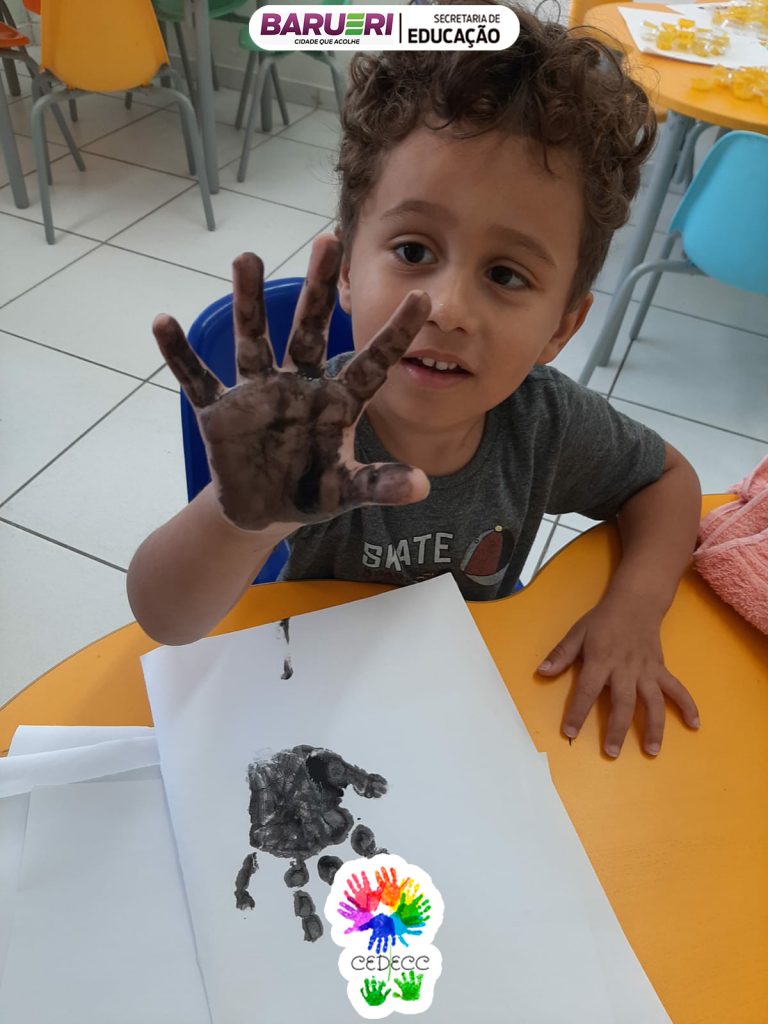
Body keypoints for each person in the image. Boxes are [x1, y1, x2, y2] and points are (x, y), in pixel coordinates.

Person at [128, 1, 702, 759]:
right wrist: (244, 520)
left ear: (561, 328)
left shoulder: (545, 425)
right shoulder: (311, 434)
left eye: (506, 274)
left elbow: (669, 481)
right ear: (344, 272)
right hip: (310, 717)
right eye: (413, 251)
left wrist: (634, 607)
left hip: (458, 717)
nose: (447, 308)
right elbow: (165, 621)